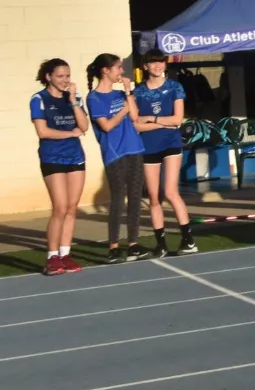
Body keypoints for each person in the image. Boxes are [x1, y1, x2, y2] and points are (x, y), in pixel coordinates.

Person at [86, 53, 149, 263]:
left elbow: (135, 116)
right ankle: (113, 246)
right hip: (115, 153)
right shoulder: (94, 98)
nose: (121, 72)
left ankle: (133, 244)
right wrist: (124, 108)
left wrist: (128, 92)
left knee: (134, 198)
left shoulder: (121, 94)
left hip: (134, 149)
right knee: (118, 200)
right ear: (106, 70)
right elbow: (106, 125)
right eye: (118, 68)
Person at [132, 51, 196, 257]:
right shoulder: (138, 92)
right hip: (148, 147)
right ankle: (161, 244)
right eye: (153, 62)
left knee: (170, 192)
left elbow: (177, 119)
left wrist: (150, 117)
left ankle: (188, 240)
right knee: (154, 196)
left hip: (171, 144)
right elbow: (136, 126)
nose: (158, 66)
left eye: (161, 62)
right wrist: (159, 122)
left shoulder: (175, 87)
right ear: (145, 66)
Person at [31, 58, 88, 275]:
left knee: (72, 208)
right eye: (60, 76)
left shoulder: (74, 97)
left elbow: (84, 126)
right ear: (49, 77)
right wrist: (69, 134)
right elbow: (43, 132)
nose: (65, 80)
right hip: (53, 157)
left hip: (75, 156)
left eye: (67, 76)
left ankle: (65, 253)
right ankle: (52, 257)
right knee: (60, 207)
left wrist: (73, 100)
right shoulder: (39, 99)